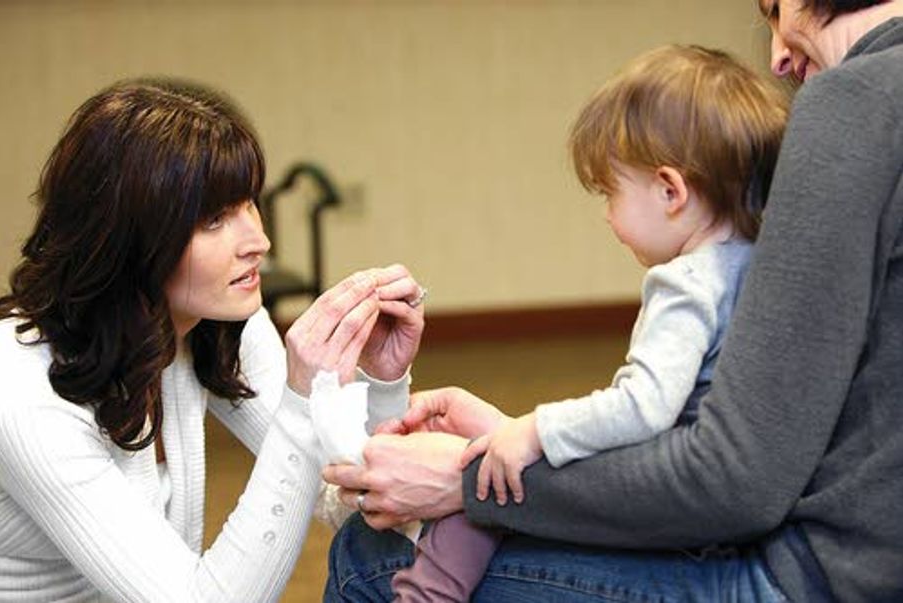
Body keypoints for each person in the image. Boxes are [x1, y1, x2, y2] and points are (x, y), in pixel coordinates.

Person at [322, 0, 903, 600]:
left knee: (369, 559)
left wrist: (475, 474)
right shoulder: (752, 256)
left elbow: (720, 472)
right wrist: (514, 437)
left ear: (671, 189)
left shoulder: (852, 106)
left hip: (815, 576)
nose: (777, 55)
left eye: (776, 8)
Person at [386, 44, 789, 603]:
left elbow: (646, 405)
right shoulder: (763, 260)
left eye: (610, 192)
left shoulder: (686, 283)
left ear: (670, 192)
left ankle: (425, 593)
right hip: (724, 520)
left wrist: (531, 430)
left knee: (490, 470)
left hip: (679, 522)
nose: (606, 215)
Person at [0, 77, 425, 602]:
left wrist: (381, 382)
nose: (259, 243)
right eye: (215, 219)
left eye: (249, 204)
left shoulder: (218, 321)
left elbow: (352, 499)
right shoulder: (23, 392)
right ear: (129, 238)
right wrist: (300, 403)